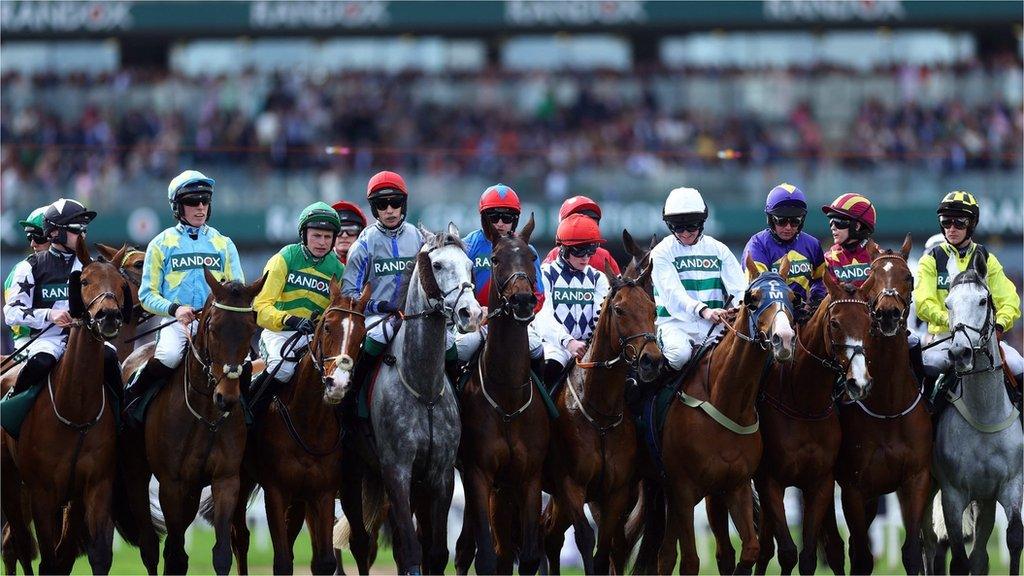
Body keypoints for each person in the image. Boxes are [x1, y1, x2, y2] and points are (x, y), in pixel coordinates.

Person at [123, 170, 244, 413]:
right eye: (192, 202)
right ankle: (132, 405)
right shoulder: (160, 244)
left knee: (245, 365)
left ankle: (249, 418)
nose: (200, 207)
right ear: (178, 207)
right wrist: (175, 309)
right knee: (168, 357)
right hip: (177, 323)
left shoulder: (224, 243)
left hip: (217, 325)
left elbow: (237, 291)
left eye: (205, 201)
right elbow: (147, 295)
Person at [343, 171, 458, 418]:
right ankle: (356, 398)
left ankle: (459, 399)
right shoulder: (363, 244)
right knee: (378, 336)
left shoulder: (418, 239)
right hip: (379, 316)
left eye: (395, 203)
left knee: (449, 346)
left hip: (416, 314)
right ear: (374, 209)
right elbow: (348, 292)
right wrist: (377, 305)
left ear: (403, 205)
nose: (390, 209)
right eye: (382, 205)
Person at [3, 199, 121, 398]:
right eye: (76, 229)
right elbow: (11, 313)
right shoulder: (29, 266)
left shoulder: (91, 267)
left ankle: (122, 418)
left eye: (84, 229)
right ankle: (10, 414)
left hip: (85, 337)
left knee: (110, 357)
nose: (82, 234)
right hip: (45, 340)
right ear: (55, 233)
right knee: (41, 362)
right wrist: (50, 314)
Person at [914, 190, 1023, 388]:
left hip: (984, 339)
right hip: (944, 339)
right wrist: (955, 322)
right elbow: (923, 302)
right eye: (946, 222)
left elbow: (1009, 300)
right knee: (929, 366)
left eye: (959, 223)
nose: (951, 229)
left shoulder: (987, 258)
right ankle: (925, 415)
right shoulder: (930, 259)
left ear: (971, 224)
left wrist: (999, 325)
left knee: (1019, 366)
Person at [250, 202, 345, 413]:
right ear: (304, 234)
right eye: (316, 236)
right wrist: (289, 320)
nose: (322, 242)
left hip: (314, 337)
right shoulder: (285, 258)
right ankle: (248, 413)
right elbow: (260, 308)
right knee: (282, 370)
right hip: (279, 334)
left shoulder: (338, 269)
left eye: (327, 237)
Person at [456, 183, 546, 383]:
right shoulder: (467, 246)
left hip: (513, 320)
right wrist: (478, 311)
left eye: (507, 218)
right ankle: (451, 399)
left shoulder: (527, 250)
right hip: (476, 321)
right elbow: (457, 289)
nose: (499, 223)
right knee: (462, 348)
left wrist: (521, 311)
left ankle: (545, 401)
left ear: (515, 220)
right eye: (493, 217)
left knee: (536, 347)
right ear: (483, 219)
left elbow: (538, 295)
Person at [651, 187, 745, 375]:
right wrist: (704, 311)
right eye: (678, 227)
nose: (685, 233)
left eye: (692, 226)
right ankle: (653, 400)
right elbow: (673, 294)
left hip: (716, 325)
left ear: (702, 223)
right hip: (675, 325)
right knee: (680, 355)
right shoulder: (661, 252)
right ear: (670, 226)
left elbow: (740, 287)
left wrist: (738, 308)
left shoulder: (719, 250)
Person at [536, 214, 610, 391]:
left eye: (591, 250)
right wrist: (568, 342)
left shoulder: (598, 278)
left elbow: (600, 317)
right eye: (579, 251)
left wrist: (592, 345)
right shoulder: (545, 274)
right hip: (556, 346)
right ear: (563, 249)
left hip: (588, 347)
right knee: (550, 366)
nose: (586, 257)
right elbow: (542, 316)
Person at [742, 183, 826, 323]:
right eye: (781, 221)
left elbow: (820, 280)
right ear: (770, 219)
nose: (788, 227)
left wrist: (813, 305)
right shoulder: (757, 245)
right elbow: (761, 288)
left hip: (805, 319)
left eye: (795, 221)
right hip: (770, 319)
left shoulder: (813, 244)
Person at [3, 205, 52, 357]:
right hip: (29, 343)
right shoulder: (23, 270)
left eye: (38, 237)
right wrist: (50, 315)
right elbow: (12, 315)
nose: (33, 244)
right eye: (29, 237)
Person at [543, 195, 620, 276]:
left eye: (592, 221)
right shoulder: (554, 255)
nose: (588, 225)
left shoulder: (603, 256)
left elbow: (621, 288)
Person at [821, 193, 878, 288]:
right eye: (831, 222)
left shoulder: (879, 258)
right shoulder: (828, 259)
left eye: (838, 222)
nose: (833, 227)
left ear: (856, 226)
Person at [331, 201, 367, 265]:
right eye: (338, 231)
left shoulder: (371, 262)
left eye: (351, 230)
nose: (344, 235)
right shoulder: (319, 264)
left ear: (360, 233)